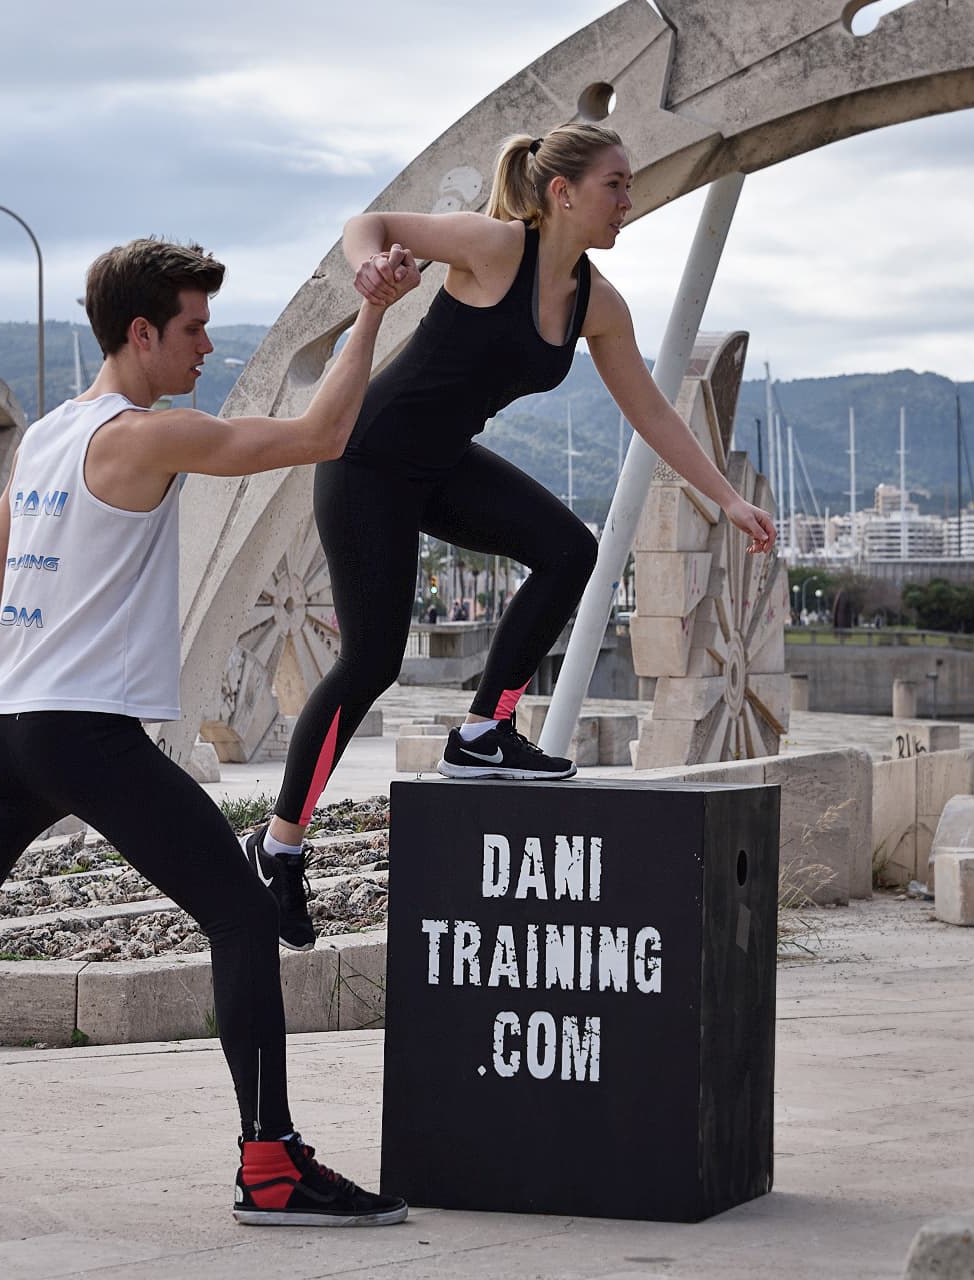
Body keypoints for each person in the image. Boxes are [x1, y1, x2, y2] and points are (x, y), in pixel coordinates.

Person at [0, 236, 417, 1228]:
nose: (206, 347)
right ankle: (272, 1166)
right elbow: (323, 434)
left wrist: (35, 672)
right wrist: (374, 310)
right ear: (141, 333)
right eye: (192, 329)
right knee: (242, 916)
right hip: (84, 735)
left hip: (9, 729)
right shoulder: (146, 437)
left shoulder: (48, 436)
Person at [244, 122, 777, 952]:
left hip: (441, 465)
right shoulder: (494, 248)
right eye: (614, 185)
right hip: (368, 460)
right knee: (373, 661)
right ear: (561, 192)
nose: (627, 201)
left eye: (629, 186)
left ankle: (483, 732)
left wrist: (726, 499)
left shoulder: (598, 303)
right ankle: (278, 848)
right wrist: (368, 267)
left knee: (570, 552)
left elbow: (651, 411)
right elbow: (370, 222)